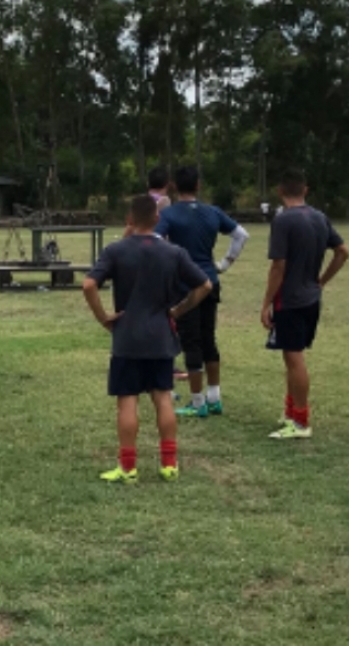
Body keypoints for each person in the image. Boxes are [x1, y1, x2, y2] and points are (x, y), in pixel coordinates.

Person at [83, 195, 212, 484]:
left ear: (129, 220)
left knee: (126, 402)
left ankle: (128, 468)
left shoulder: (116, 250)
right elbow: (204, 285)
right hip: (161, 335)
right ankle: (169, 464)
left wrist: (104, 317)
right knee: (163, 398)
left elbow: (89, 284)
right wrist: (178, 310)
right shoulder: (174, 252)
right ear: (157, 219)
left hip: (127, 337)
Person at [261, 169, 349, 439]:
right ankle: (290, 413)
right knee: (292, 356)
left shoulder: (283, 221)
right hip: (311, 297)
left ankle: (300, 421)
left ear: (279, 191)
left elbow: (279, 265)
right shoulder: (319, 217)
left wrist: (265, 303)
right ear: (305, 190)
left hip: (290, 300)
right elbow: (343, 252)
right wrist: (321, 281)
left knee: (294, 357)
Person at [155, 166, 250, 418]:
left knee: (191, 340)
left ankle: (197, 403)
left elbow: (154, 241)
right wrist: (224, 264)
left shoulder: (170, 214)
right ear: (198, 185)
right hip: (210, 280)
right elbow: (241, 235)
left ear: (174, 186)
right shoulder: (213, 212)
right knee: (209, 338)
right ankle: (214, 397)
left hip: (185, 284)